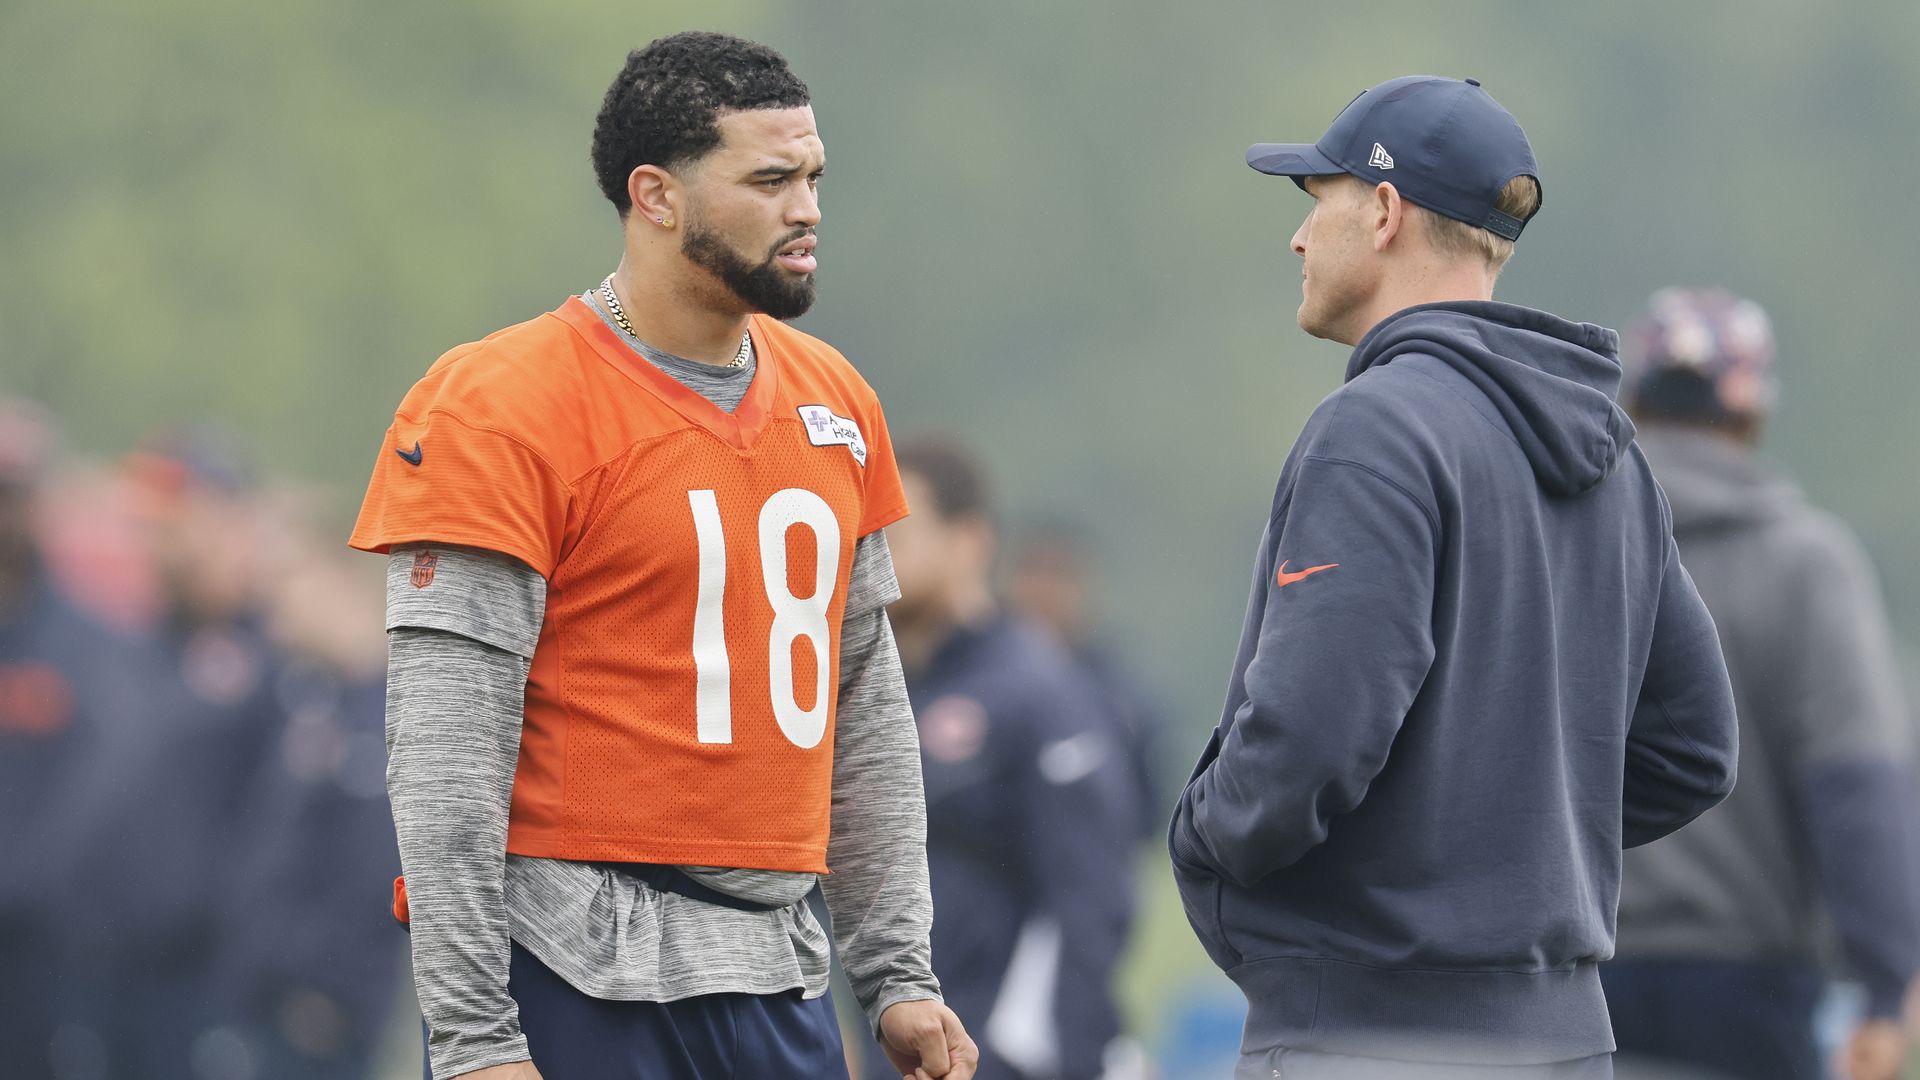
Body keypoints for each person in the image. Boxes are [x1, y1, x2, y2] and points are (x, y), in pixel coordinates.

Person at [347, 32, 975, 1080]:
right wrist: (471, 1040)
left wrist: (898, 970)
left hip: (775, 970)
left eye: (814, 177)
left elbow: (863, 706)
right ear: (657, 195)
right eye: (770, 180)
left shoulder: (836, 400)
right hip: (570, 970)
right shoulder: (498, 405)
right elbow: (444, 758)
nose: (808, 209)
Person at [1166, 76, 1740, 1078]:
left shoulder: (1375, 428)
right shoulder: (1614, 456)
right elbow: (1694, 748)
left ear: (1383, 211)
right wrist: (1517, 852)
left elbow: (1309, 738)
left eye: (1318, 203)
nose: (1300, 241)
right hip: (1564, 1041)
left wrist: (1206, 837)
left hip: (1364, 1037)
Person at [1603, 289, 1920, 1080]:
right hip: (1747, 993)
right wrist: (1885, 986)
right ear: (1750, 414)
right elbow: (1856, 788)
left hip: (1566, 972)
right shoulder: (1808, 567)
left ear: (1634, 399)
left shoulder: (1574, 549)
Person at [880, 440, 1139, 1080]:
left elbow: (1091, 897)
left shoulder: (1036, 688)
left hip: (1001, 1050)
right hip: (901, 1042)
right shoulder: (868, 691)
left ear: (969, 540)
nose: (878, 547)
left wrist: (1051, 1052)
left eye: (899, 526)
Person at [1006, 522, 1167, 842]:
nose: (1044, 590)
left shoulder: (1120, 696)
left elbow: (1147, 812)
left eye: (1060, 575)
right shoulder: (970, 684)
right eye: (1032, 571)